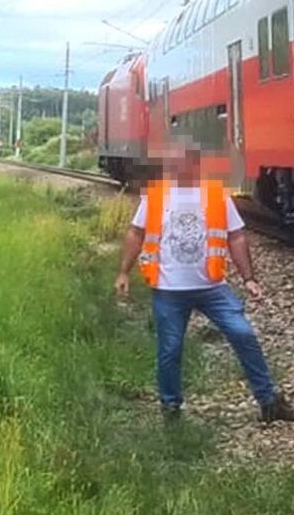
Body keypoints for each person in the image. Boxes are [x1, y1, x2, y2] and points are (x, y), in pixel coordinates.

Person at [114, 139, 294, 423]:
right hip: (168, 289)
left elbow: (236, 236)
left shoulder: (216, 195)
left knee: (243, 334)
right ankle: (171, 409)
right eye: (174, 161)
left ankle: (269, 401)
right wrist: (123, 272)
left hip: (212, 287)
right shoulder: (156, 196)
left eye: (185, 160)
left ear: (195, 164)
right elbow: (136, 232)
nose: (178, 166)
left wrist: (248, 278)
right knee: (170, 349)